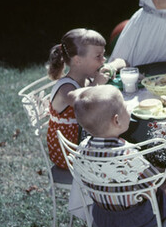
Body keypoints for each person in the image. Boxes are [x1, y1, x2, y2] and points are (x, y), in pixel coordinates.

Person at [69, 85, 166, 227]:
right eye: (125, 107)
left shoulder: (82, 148)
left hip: (102, 216)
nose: (129, 111)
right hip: (136, 218)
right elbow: (155, 184)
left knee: (164, 179)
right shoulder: (128, 154)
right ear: (116, 121)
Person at [45, 28, 127, 170]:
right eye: (98, 56)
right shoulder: (65, 89)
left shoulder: (88, 77)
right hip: (69, 153)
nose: (104, 59)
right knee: (123, 140)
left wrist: (110, 67)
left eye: (103, 54)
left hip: (87, 143)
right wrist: (98, 83)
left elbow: (122, 62)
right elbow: (83, 100)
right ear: (77, 60)